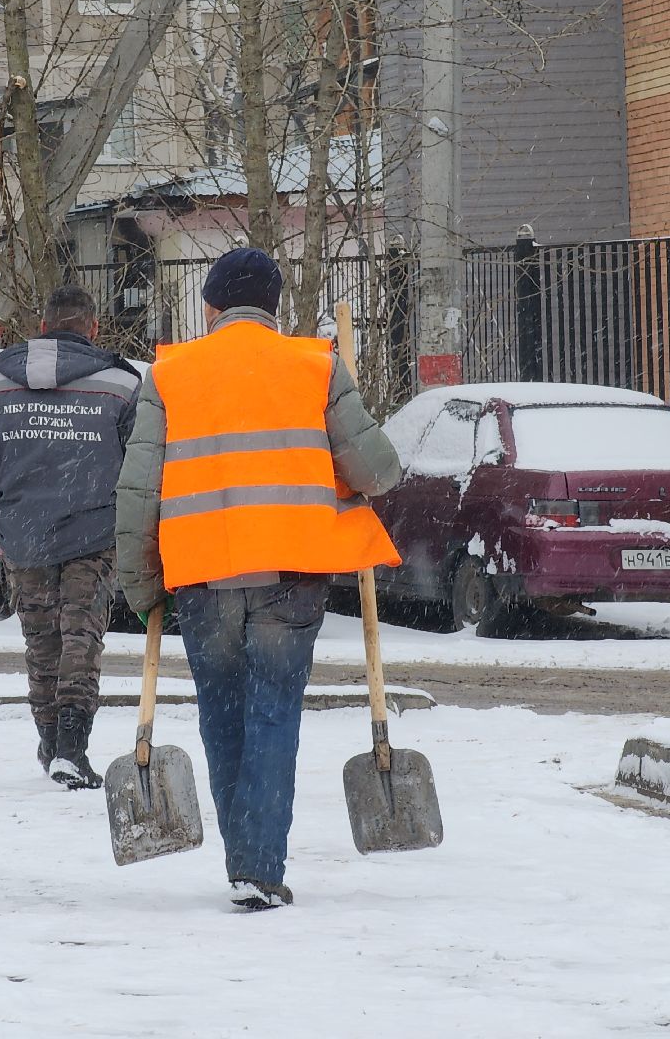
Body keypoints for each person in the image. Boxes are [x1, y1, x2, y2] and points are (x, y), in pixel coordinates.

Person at [115, 247, 402, 909]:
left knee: (223, 718)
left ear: (211, 307)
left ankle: (243, 862)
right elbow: (380, 470)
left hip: (204, 581)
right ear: (274, 308)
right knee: (274, 713)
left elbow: (138, 490)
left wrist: (140, 585)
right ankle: (260, 866)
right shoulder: (316, 365)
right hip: (291, 578)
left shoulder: (170, 374)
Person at [0, 285, 142, 789]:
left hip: (23, 535)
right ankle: (70, 748)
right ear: (94, 328)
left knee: (41, 644)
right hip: (93, 532)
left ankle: (49, 745)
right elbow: (140, 467)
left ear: (42, 328)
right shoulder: (121, 385)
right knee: (81, 638)